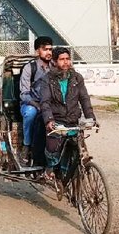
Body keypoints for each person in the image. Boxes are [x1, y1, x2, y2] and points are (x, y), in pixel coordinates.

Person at [40, 46, 97, 195]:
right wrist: (49, 120)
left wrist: (91, 117)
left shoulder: (77, 78)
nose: (65, 62)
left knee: (78, 149)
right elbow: (45, 102)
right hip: (56, 120)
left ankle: (70, 179)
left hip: (73, 120)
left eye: (67, 59)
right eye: (62, 59)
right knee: (53, 147)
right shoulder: (47, 79)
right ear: (54, 61)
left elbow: (84, 98)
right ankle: (49, 170)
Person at [19, 36, 53, 165]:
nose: (48, 52)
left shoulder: (55, 67)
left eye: (50, 49)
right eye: (45, 49)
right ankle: (27, 146)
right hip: (31, 103)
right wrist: (37, 105)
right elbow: (24, 94)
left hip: (49, 104)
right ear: (37, 51)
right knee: (31, 113)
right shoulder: (29, 68)